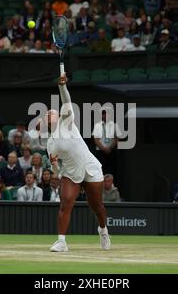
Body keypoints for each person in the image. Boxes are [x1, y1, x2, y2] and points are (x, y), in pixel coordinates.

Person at [46, 73, 110, 252]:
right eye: (46, 114)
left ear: (59, 116)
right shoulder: (50, 143)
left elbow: (66, 100)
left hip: (89, 166)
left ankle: (103, 231)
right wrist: (53, 164)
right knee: (65, 202)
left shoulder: (66, 122)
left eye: (50, 112)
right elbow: (56, 170)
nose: (47, 114)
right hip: (71, 173)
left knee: (96, 205)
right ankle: (61, 242)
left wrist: (61, 86)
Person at [93, 109, 120, 179]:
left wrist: (110, 148)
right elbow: (96, 140)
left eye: (107, 114)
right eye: (104, 114)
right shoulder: (97, 126)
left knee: (111, 171)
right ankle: (101, 187)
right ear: (102, 115)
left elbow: (117, 139)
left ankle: (111, 188)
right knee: (100, 171)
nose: (105, 116)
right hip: (100, 152)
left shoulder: (114, 125)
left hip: (111, 152)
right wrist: (104, 149)